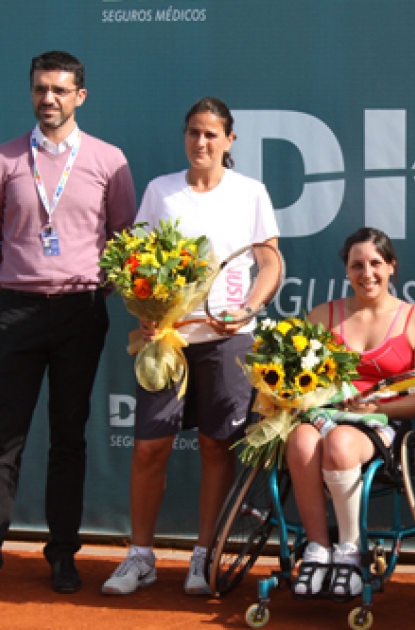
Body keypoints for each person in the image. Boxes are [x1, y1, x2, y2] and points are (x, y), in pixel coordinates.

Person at [101, 97, 281, 596]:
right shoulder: (162, 191)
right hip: (170, 341)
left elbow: (270, 263)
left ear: (229, 140)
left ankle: (205, 554)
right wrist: (148, 315)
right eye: (193, 133)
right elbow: (137, 264)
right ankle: (140, 556)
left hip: (229, 341)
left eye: (210, 134)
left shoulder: (250, 193)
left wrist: (247, 309)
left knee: (216, 445)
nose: (200, 142)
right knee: (148, 448)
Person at [0, 51, 137, 594]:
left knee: (68, 439)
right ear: (31, 93)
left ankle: (62, 555)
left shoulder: (108, 160)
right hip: (15, 311)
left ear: (80, 96)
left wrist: (98, 286)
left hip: (81, 312)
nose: (48, 99)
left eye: (59, 90)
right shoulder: (6, 159)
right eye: (40, 89)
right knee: (3, 441)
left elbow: (124, 239)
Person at [286, 227, 415, 599]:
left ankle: (351, 551)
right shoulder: (322, 315)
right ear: (346, 271)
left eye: (375, 263)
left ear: (391, 267)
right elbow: (298, 381)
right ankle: (318, 549)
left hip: (385, 424)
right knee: (300, 440)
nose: (366, 272)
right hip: (324, 416)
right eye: (357, 265)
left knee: (339, 444)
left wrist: (376, 406)